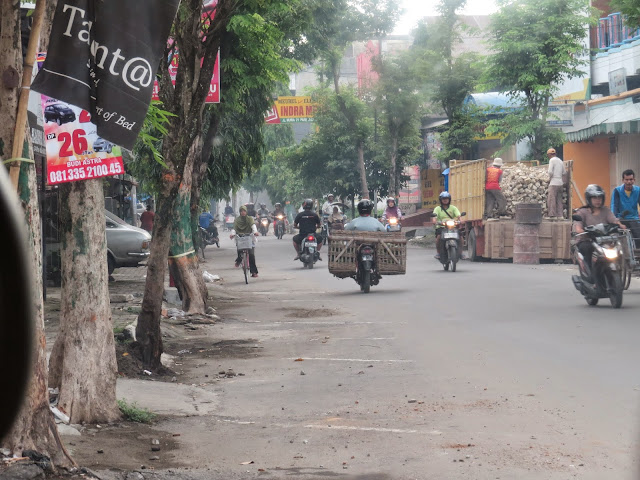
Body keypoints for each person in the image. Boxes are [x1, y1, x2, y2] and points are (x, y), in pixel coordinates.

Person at [573, 184, 626, 270]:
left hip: (604, 240)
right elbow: (578, 227)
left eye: (600, 198)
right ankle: (590, 273)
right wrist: (581, 231)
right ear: (589, 199)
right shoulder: (582, 212)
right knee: (588, 249)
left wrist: (620, 225)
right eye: (594, 198)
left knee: (618, 249)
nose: (598, 200)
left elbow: (613, 220)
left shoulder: (606, 210)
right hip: (587, 240)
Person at [611, 169, 640, 247]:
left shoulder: (638, 190)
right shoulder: (617, 191)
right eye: (626, 179)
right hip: (621, 219)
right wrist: (616, 221)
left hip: (634, 219)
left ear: (634, 180)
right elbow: (614, 206)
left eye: (631, 179)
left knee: (638, 238)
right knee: (621, 240)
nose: (629, 182)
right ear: (623, 180)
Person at [230, 205, 260, 277]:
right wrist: (232, 234)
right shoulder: (237, 220)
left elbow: (253, 226)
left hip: (249, 237)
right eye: (241, 211)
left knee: (251, 255)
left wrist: (255, 232)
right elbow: (234, 228)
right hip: (240, 237)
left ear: (246, 212)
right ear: (240, 212)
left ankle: (254, 272)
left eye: (244, 211)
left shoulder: (249, 219)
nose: (243, 212)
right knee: (239, 250)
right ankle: (239, 260)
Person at [432, 191, 462, 259]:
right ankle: (438, 253)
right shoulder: (437, 209)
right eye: (443, 199)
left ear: (449, 199)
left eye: (446, 198)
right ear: (441, 200)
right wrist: (435, 221)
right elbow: (434, 218)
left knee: (460, 237)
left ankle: (461, 253)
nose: (445, 200)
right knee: (438, 237)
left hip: (452, 227)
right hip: (441, 227)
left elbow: (458, 216)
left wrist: (461, 221)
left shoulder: (453, 208)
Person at [546, 148, 566, 218]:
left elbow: (550, 172)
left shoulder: (551, 160)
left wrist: (549, 178)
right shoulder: (560, 161)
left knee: (552, 199)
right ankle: (560, 215)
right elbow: (564, 172)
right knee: (559, 200)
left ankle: (552, 215)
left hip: (554, 183)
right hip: (560, 183)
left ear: (549, 155)